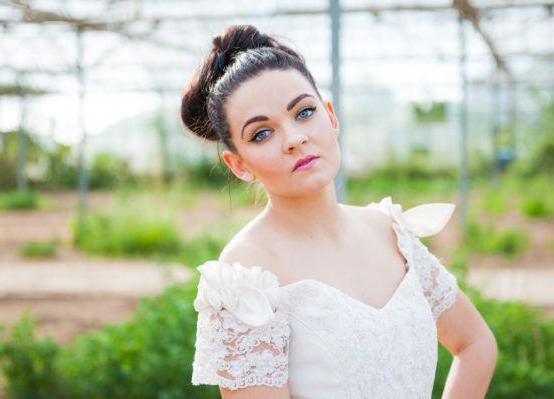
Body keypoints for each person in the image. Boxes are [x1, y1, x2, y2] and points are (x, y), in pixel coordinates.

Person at [180, 24, 497, 399]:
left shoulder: (389, 231)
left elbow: (476, 343)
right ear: (239, 166)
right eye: (262, 134)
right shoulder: (246, 273)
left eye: (304, 112)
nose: (295, 139)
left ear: (331, 118)